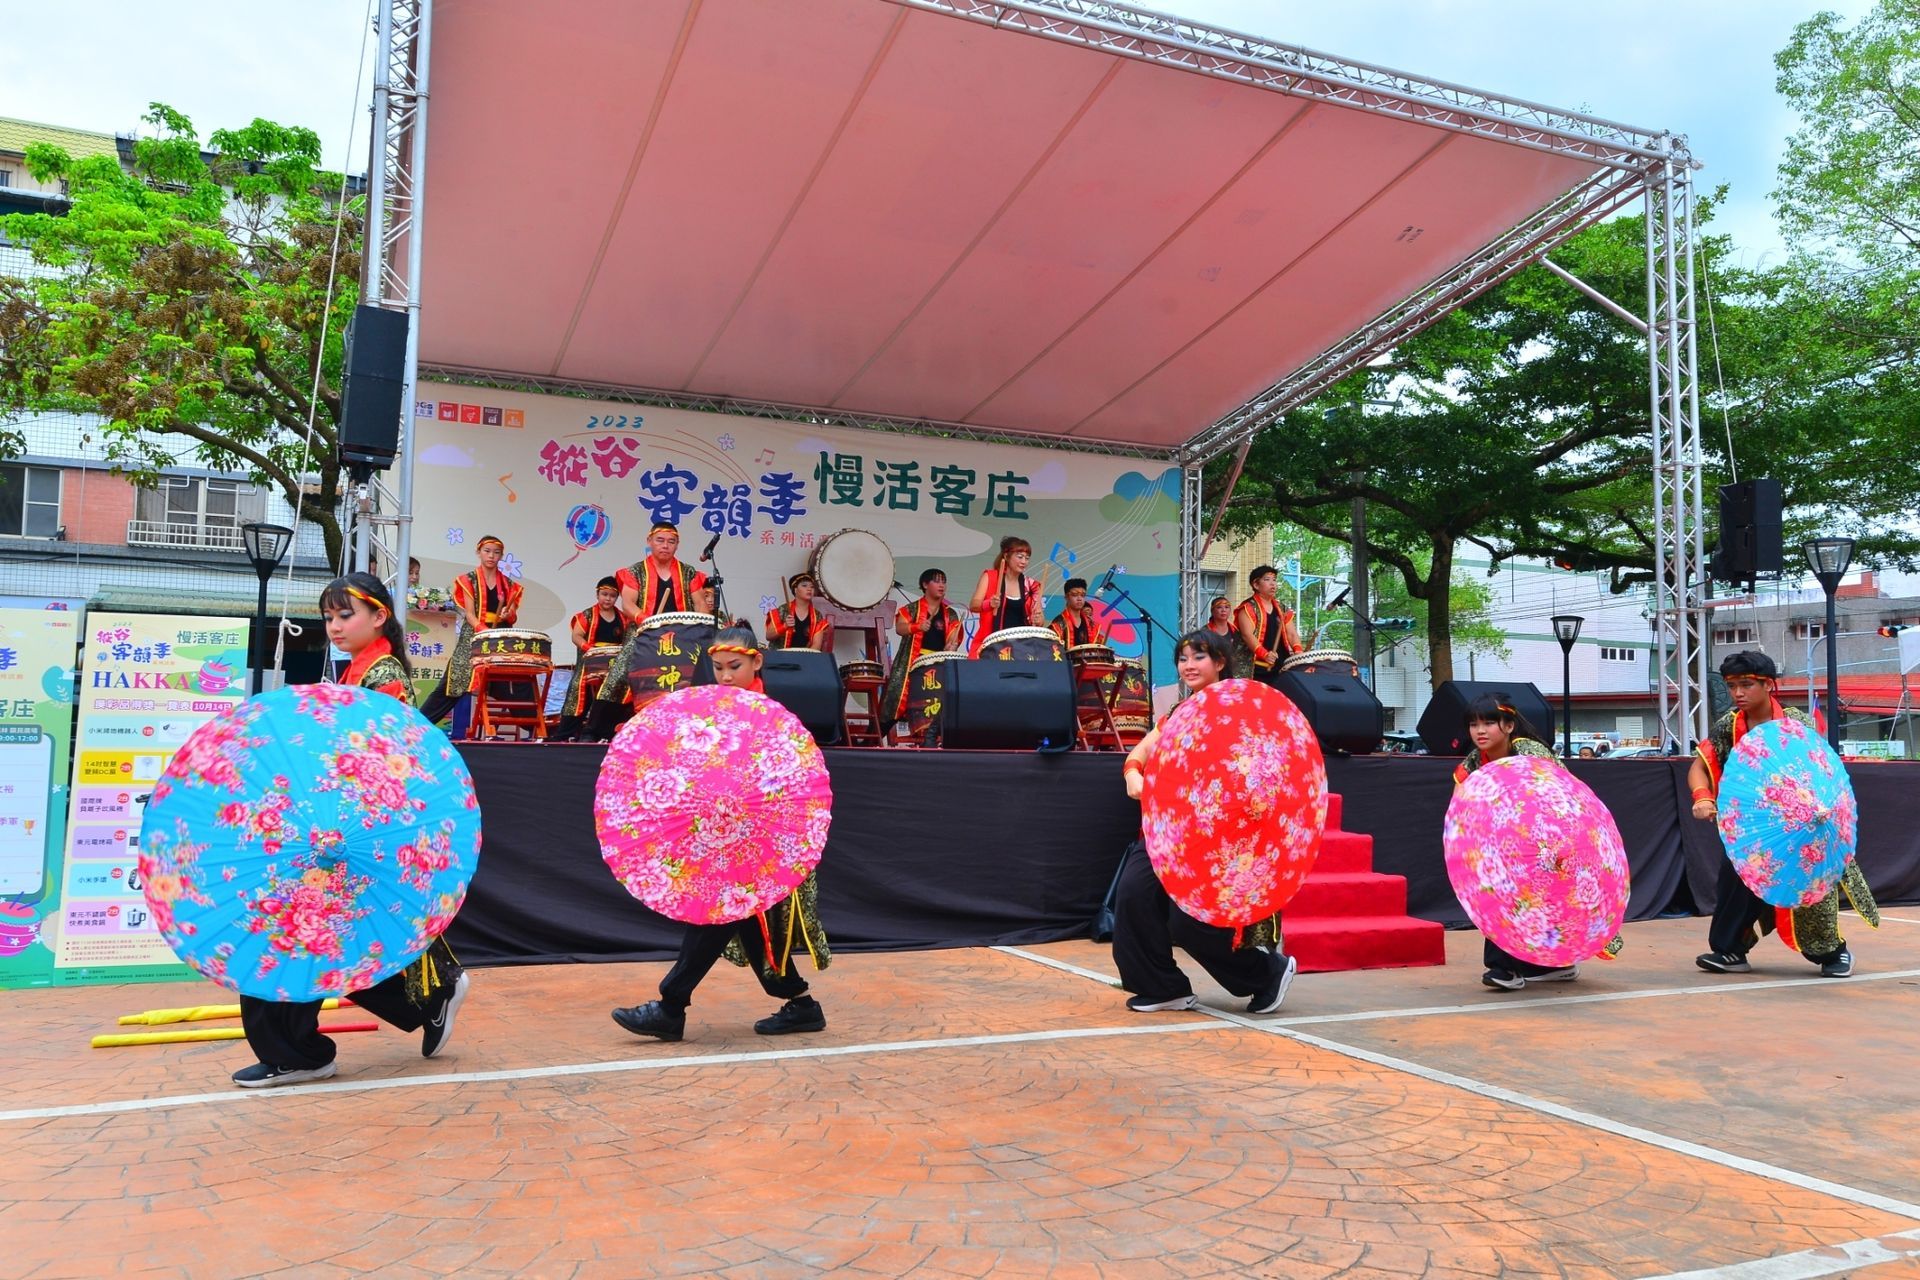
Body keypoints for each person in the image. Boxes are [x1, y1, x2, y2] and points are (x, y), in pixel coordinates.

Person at [233, 573, 469, 1087]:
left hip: (348, 832)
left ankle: (301, 1051)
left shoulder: (383, 674)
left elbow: (386, 758)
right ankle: (426, 996)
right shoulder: (358, 672)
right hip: (334, 829)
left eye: (345, 615)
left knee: (297, 937)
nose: (334, 626)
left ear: (379, 616)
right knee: (331, 943)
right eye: (328, 617)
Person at [610, 628, 831, 1042]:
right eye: (718, 668)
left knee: (726, 916)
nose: (726, 676)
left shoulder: (772, 719)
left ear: (756, 662)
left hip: (764, 845)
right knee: (747, 926)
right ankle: (800, 1003)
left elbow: (792, 783)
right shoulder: (708, 710)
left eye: (735, 666)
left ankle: (671, 1005)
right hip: (721, 840)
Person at [1111, 629, 1297, 1015]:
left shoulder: (1241, 708)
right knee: (1133, 895)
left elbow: (1263, 765)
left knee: (1189, 921)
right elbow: (1140, 752)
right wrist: (1132, 774)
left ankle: (1266, 974)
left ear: (1220, 662)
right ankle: (1161, 987)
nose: (1189, 665)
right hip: (1166, 827)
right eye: (1183, 659)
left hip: (1215, 832)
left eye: (1199, 657)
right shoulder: (1179, 713)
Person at [1689, 650, 1877, 978]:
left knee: (1810, 898)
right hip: (1752, 830)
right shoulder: (1729, 726)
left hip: (1802, 827)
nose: (1738, 693)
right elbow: (1700, 767)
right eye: (1732, 686)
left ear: (1769, 685)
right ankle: (1730, 950)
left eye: (1746, 684)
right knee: (1735, 881)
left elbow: (1819, 770)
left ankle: (1832, 952)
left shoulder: (1796, 724)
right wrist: (1702, 796)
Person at [1450, 693, 1584, 991]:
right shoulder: (1474, 761)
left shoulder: (1529, 751)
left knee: (1524, 899)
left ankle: (1504, 968)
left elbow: (1559, 793)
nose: (1479, 731)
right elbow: (1460, 804)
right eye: (1473, 724)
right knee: (1505, 895)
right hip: (1505, 843)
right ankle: (1549, 965)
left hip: (1548, 836)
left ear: (1509, 726)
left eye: (1488, 723)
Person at [587, 523, 720, 737]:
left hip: (683, 636)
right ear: (649, 542)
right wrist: (648, 622)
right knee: (620, 672)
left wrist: (702, 625)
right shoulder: (635, 571)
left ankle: (700, 725)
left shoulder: (688, 573)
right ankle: (595, 731)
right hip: (644, 634)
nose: (665, 545)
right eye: (660, 540)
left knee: (703, 667)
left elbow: (700, 604)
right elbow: (628, 604)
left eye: (671, 541)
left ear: (677, 545)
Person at [420, 536, 522, 725]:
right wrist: (482, 631)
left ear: (501, 556)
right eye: (487, 551)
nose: (491, 556)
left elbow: (512, 617)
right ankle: (419, 724)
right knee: (455, 679)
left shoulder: (509, 585)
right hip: (474, 634)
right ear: (479, 553)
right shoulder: (468, 580)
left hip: (499, 635)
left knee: (511, 680)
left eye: (496, 552)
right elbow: (469, 614)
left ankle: (535, 727)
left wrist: (508, 614)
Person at [882, 568, 966, 728]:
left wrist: (951, 646)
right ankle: (874, 737)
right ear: (925, 585)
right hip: (912, 664)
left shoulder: (950, 614)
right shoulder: (912, 609)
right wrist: (917, 627)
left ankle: (931, 739)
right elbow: (900, 628)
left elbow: (952, 640)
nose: (942, 585)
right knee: (895, 700)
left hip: (937, 667)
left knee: (935, 706)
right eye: (937, 581)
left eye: (944, 581)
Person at [554, 577, 633, 741]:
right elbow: (576, 636)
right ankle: (566, 735)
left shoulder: (622, 618)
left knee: (620, 692)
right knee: (578, 692)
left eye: (612, 596)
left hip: (613, 668)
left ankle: (604, 733)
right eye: (604, 594)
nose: (608, 599)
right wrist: (591, 650)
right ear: (597, 594)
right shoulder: (587, 615)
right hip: (590, 665)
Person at [967, 536, 1044, 656]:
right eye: (1020, 557)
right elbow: (973, 605)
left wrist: (1039, 620)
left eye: (1027, 558)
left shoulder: (1031, 585)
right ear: (1006, 556)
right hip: (992, 644)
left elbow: (1039, 617)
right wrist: (989, 604)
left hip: (1021, 648)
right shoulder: (990, 577)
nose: (1024, 562)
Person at [1234, 565, 1302, 685]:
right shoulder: (1248, 608)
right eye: (1267, 579)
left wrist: (1298, 651)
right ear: (1256, 585)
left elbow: (1291, 633)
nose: (1273, 584)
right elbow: (1247, 635)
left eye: (1274, 580)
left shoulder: (1282, 608)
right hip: (1255, 666)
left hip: (1280, 665)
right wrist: (1264, 654)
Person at [766, 573, 834, 652]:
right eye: (804, 586)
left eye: (812, 587)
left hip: (806, 656)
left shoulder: (817, 615)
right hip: (781, 656)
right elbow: (769, 636)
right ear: (795, 590)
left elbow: (816, 645)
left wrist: (805, 658)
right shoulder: (782, 610)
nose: (809, 589)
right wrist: (785, 626)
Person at [1051, 578, 1109, 649]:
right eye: (1075, 595)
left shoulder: (1090, 623)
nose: (1079, 599)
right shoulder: (1058, 623)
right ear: (1066, 597)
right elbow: (1052, 649)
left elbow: (1098, 648)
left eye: (1082, 595)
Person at [1205, 595, 1251, 679]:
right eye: (1219, 607)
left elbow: (1242, 656)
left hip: (1232, 675)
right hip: (1213, 674)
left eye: (1226, 607)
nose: (1223, 610)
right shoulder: (1205, 632)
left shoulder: (1236, 632)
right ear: (1212, 611)